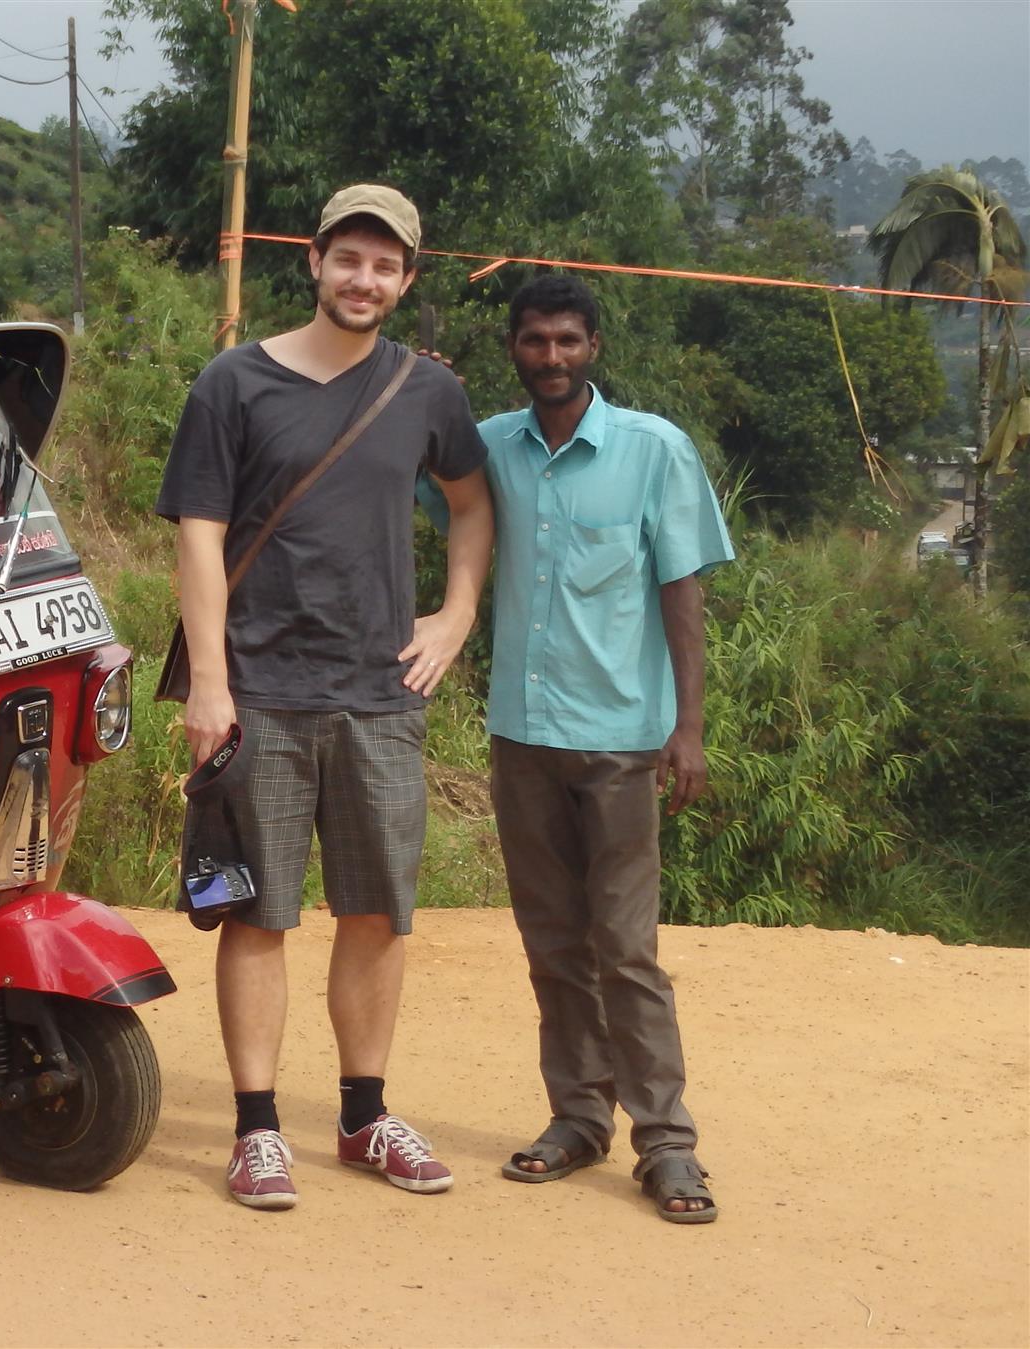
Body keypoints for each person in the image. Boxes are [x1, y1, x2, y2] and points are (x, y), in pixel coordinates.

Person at [155, 184, 493, 1210]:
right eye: (350, 257)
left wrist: (456, 614)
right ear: (314, 260)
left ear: (407, 280)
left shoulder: (427, 392)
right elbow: (199, 535)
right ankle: (258, 1129)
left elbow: (472, 503)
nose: (364, 279)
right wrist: (210, 683)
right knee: (258, 913)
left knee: (378, 912)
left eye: (386, 265)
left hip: (381, 691)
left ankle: (363, 1115)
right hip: (260, 687)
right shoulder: (235, 382)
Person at [476, 273, 733, 1224]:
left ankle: (666, 1142)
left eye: (568, 341)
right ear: (514, 346)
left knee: (625, 948)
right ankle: (578, 1117)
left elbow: (682, 590)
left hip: (623, 740)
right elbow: (416, 488)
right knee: (552, 943)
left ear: (594, 348)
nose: (551, 357)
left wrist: (688, 728)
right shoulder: (490, 448)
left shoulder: (653, 448)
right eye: (535, 340)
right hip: (523, 736)